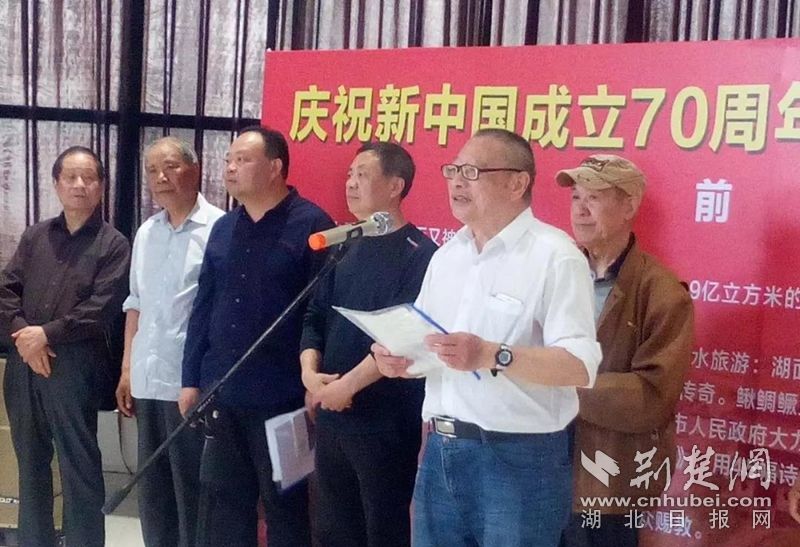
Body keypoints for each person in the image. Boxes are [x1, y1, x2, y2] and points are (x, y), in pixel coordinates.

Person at [372, 128, 601, 546]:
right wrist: (400, 360)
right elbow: (429, 347)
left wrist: (492, 355)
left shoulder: (555, 256)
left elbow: (579, 366)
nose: (457, 182)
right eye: (453, 170)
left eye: (473, 172)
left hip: (518, 459)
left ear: (517, 183)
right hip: (440, 450)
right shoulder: (446, 257)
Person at [180, 126, 334, 547]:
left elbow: (322, 312)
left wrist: (314, 379)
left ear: (275, 167)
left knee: (286, 508)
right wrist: (191, 380)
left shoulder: (313, 225)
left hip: (284, 399)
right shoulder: (224, 228)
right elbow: (203, 307)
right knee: (226, 508)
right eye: (228, 160)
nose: (230, 168)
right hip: (223, 392)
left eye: (243, 159)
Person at [300, 142, 437, 547]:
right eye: (350, 174)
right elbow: (315, 316)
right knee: (332, 530)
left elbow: (402, 337)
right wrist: (310, 374)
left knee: (382, 531)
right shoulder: (345, 244)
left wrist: (346, 387)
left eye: (362, 174)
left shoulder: (422, 255)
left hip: (385, 423)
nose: (351, 183)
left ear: (395, 186)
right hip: (332, 416)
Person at [556, 154, 694, 547]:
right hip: (541, 467)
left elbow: (652, 395)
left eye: (594, 198)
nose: (580, 210)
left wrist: (557, 384)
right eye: (576, 197)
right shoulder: (557, 271)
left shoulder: (662, 292)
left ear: (629, 205)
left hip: (609, 478)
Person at [0, 146, 130, 547]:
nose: (79, 185)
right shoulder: (36, 235)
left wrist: (45, 335)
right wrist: (25, 335)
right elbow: (6, 290)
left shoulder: (113, 244)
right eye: (70, 177)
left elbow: (102, 308)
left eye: (88, 178)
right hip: (23, 364)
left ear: (101, 187)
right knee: (30, 465)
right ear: (56, 183)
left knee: (79, 467)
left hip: (75, 367)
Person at [115, 137, 225, 546]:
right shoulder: (147, 231)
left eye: (171, 167)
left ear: (195, 170)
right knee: (154, 494)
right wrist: (127, 367)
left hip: (190, 384)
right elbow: (135, 304)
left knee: (192, 493)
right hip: (147, 379)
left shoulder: (218, 229)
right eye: (152, 170)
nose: (161, 177)